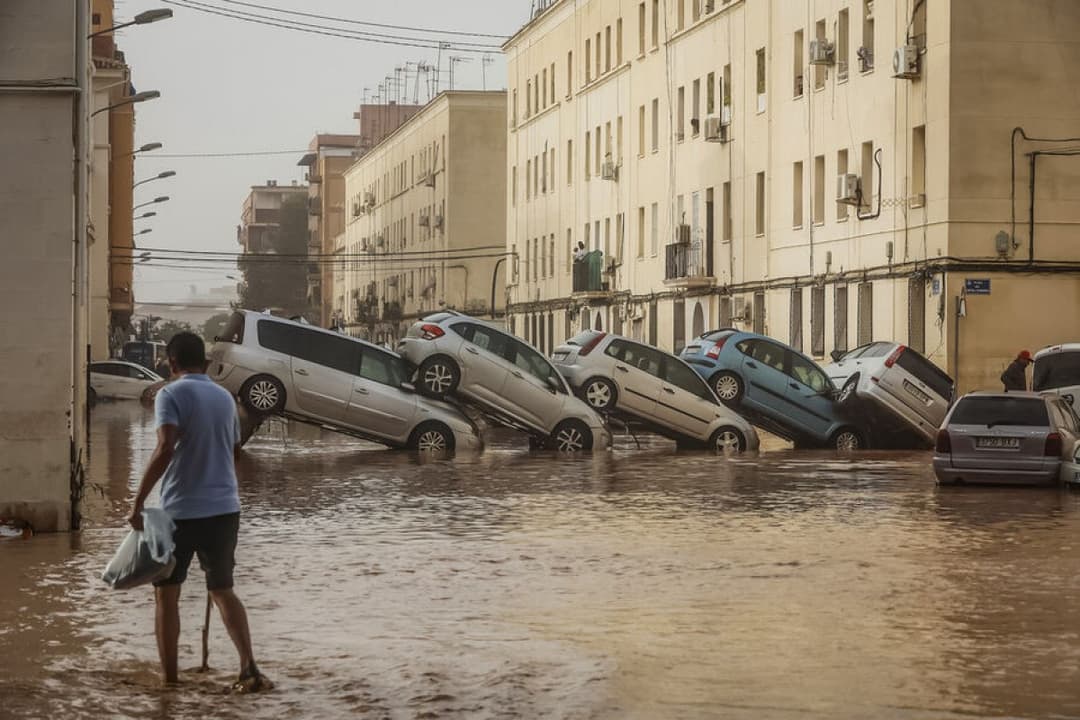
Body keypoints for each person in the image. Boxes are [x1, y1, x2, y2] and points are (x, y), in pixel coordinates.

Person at [128, 332, 269, 692]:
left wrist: (138, 501)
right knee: (223, 589)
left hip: (180, 511)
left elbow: (163, 449)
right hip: (225, 509)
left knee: (166, 593)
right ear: (204, 362)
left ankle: (170, 683)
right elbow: (235, 452)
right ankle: (249, 667)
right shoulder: (225, 397)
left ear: (171, 363)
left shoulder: (170, 394)